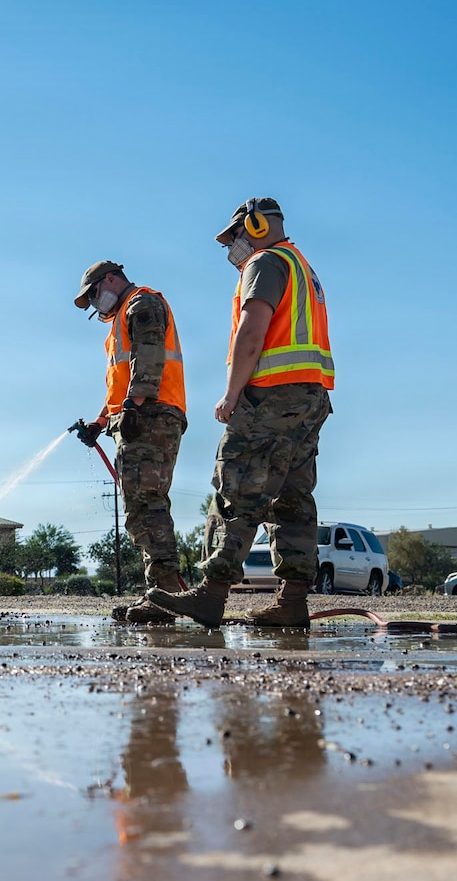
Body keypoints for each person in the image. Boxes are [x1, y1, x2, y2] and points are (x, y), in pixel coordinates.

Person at [149, 198, 333, 629]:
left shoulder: (266, 263)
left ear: (252, 226)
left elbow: (252, 331)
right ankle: (292, 601)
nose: (232, 249)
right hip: (310, 399)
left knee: (235, 491)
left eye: (233, 238)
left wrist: (231, 395)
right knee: (294, 499)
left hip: (269, 397)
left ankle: (211, 596)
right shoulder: (302, 267)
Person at [72, 261, 188, 622]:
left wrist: (135, 406)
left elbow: (148, 359)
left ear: (109, 279)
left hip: (151, 415)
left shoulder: (142, 303)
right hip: (140, 414)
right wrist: (103, 420)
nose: (95, 303)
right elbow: (121, 383)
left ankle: (165, 596)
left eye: (93, 294)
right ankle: (159, 591)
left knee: (147, 505)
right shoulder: (124, 315)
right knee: (140, 508)